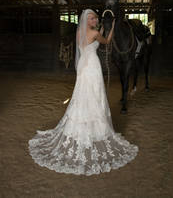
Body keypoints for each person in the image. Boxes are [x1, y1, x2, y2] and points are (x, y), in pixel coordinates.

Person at [28, 9, 138, 176]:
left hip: (83, 65)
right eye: (93, 18)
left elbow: (91, 40)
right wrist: (113, 26)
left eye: (95, 18)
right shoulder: (94, 32)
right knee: (94, 94)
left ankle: (83, 125)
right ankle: (95, 128)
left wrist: (99, 31)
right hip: (92, 66)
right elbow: (106, 42)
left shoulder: (80, 32)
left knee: (83, 95)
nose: (95, 20)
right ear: (88, 20)